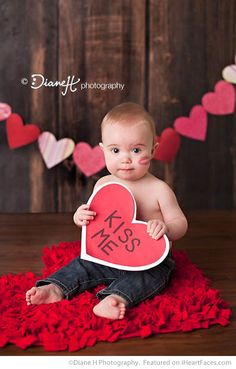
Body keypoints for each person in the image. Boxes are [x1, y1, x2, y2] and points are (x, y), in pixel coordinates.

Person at [26, 102, 188, 320]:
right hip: (109, 254)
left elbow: (180, 223)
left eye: (136, 150)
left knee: (153, 277)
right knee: (82, 264)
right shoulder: (104, 185)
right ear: (103, 150)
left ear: (153, 150)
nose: (125, 158)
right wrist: (80, 216)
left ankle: (115, 298)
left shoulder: (159, 189)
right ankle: (55, 287)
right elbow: (96, 219)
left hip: (149, 259)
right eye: (115, 150)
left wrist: (166, 227)